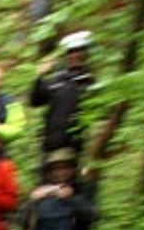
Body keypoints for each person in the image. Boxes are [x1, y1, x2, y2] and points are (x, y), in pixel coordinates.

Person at [30, 29, 96, 160]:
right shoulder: (57, 80)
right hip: (51, 145)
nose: (75, 56)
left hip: (75, 148)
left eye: (79, 51)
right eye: (71, 52)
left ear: (86, 53)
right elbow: (35, 101)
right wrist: (40, 76)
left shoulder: (90, 82)